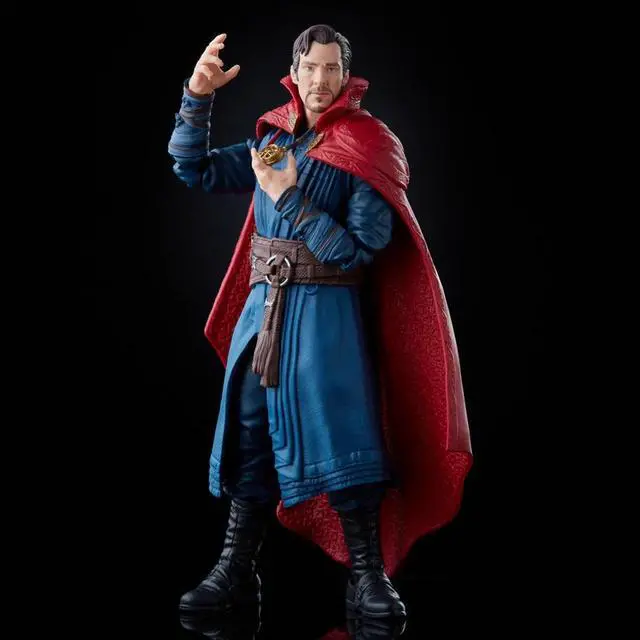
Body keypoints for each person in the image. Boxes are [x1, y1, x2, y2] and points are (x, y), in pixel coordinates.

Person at [168, 25, 473, 624]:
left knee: (345, 434)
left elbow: (360, 250)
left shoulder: (369, 144)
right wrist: (197, 97)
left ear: (346, 75)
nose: (319, 79)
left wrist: (290, 199)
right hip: (263, 319)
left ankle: (367, 575)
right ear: (294, 71)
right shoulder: (276, 137)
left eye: (331, 68)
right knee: (250, 435)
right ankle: (235, 568)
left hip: (326, 320)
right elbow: (194, 168)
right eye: (310, 67)